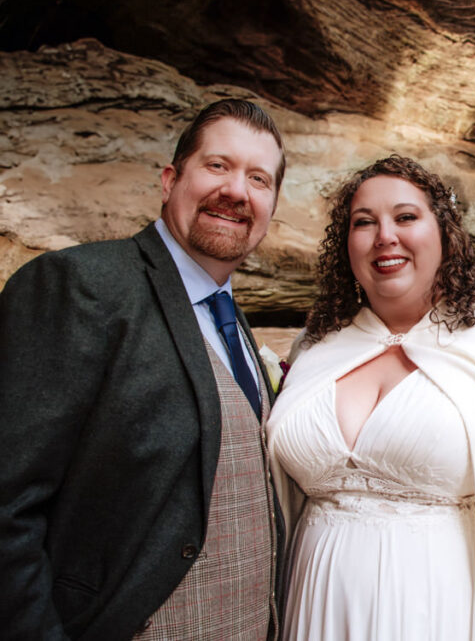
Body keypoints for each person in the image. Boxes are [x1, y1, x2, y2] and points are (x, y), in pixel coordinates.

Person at [266, 155, 475, 640]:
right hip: (314, 605)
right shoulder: (317, 346)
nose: (385, 236)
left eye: (405, 217)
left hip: (443, 609)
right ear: (346, 244)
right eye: (364, 222)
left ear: (444, 231)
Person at [0, 99, 288, 640]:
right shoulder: (79, 285)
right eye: (217, 165)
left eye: (258, 178)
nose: (236, 191)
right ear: (169, 179)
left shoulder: (235, 326)